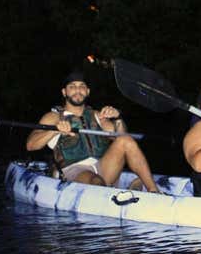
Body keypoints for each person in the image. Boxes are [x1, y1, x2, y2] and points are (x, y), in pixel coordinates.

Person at [26, 70, 161, 193]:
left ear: (88, 91)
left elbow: (120, 138)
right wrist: (55, 131)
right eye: (72, 86)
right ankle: (109, 190)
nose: (77, 90)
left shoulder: (97, 115)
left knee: (126, 140)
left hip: (103, 167)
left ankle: (153, 190)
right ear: (64, 92)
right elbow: (31, 145)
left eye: (82, 86)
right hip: (75, 170)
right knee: (96, 181)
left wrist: (118, 118)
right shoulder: (53, 117)